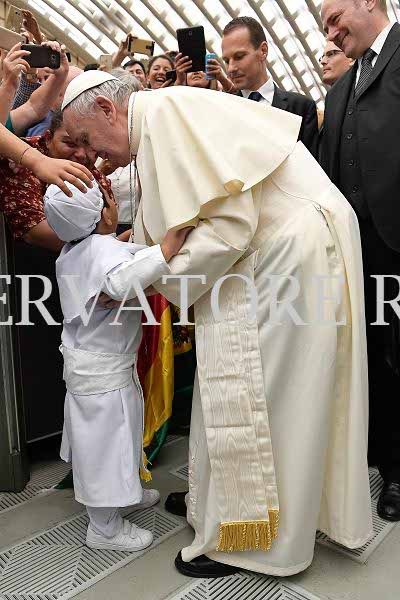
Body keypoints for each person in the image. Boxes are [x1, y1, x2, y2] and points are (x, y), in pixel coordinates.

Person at [60, 70, 372, 577]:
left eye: (85, 139)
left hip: (284, 255)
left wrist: (153, 277)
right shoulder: (158, 118)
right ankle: (216, 506)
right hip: (277, 251)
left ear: (106, 109)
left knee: (264, 395)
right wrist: (147, 262)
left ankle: (258, 542)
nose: (90, 155)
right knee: (240, 388)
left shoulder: (164, 118)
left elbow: (227, 226)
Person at [43, 177, 191, 551]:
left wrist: (127, 243)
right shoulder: (101, 252)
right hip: (103, 377)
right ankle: (103, 528)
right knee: (105, 447)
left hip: (99, 369)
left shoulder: (75, 248)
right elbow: (121, 282)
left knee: (122, 435)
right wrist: (167, 247)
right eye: (109, 199)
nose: (114, 203)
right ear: (101, 215)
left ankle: (124, 493)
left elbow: (110, 255)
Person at [321, 0, 400, 522]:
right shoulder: (340, 90)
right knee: (372, 355)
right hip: (359, 250)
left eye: (335, 19)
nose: (330, 33)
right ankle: (386, 459)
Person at [221, 16, 319, 157]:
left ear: (263, 50)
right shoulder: (224, 111)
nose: (231, 68)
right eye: (226, 61)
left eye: (239, 56)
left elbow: (311, 165)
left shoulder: (301, 107)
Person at [0, 120, 92, 195]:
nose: (81, 154)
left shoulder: (86, 164)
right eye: (70, 143)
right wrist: (38, 162)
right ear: (48, 138)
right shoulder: (22, 163)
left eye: (90, 147)